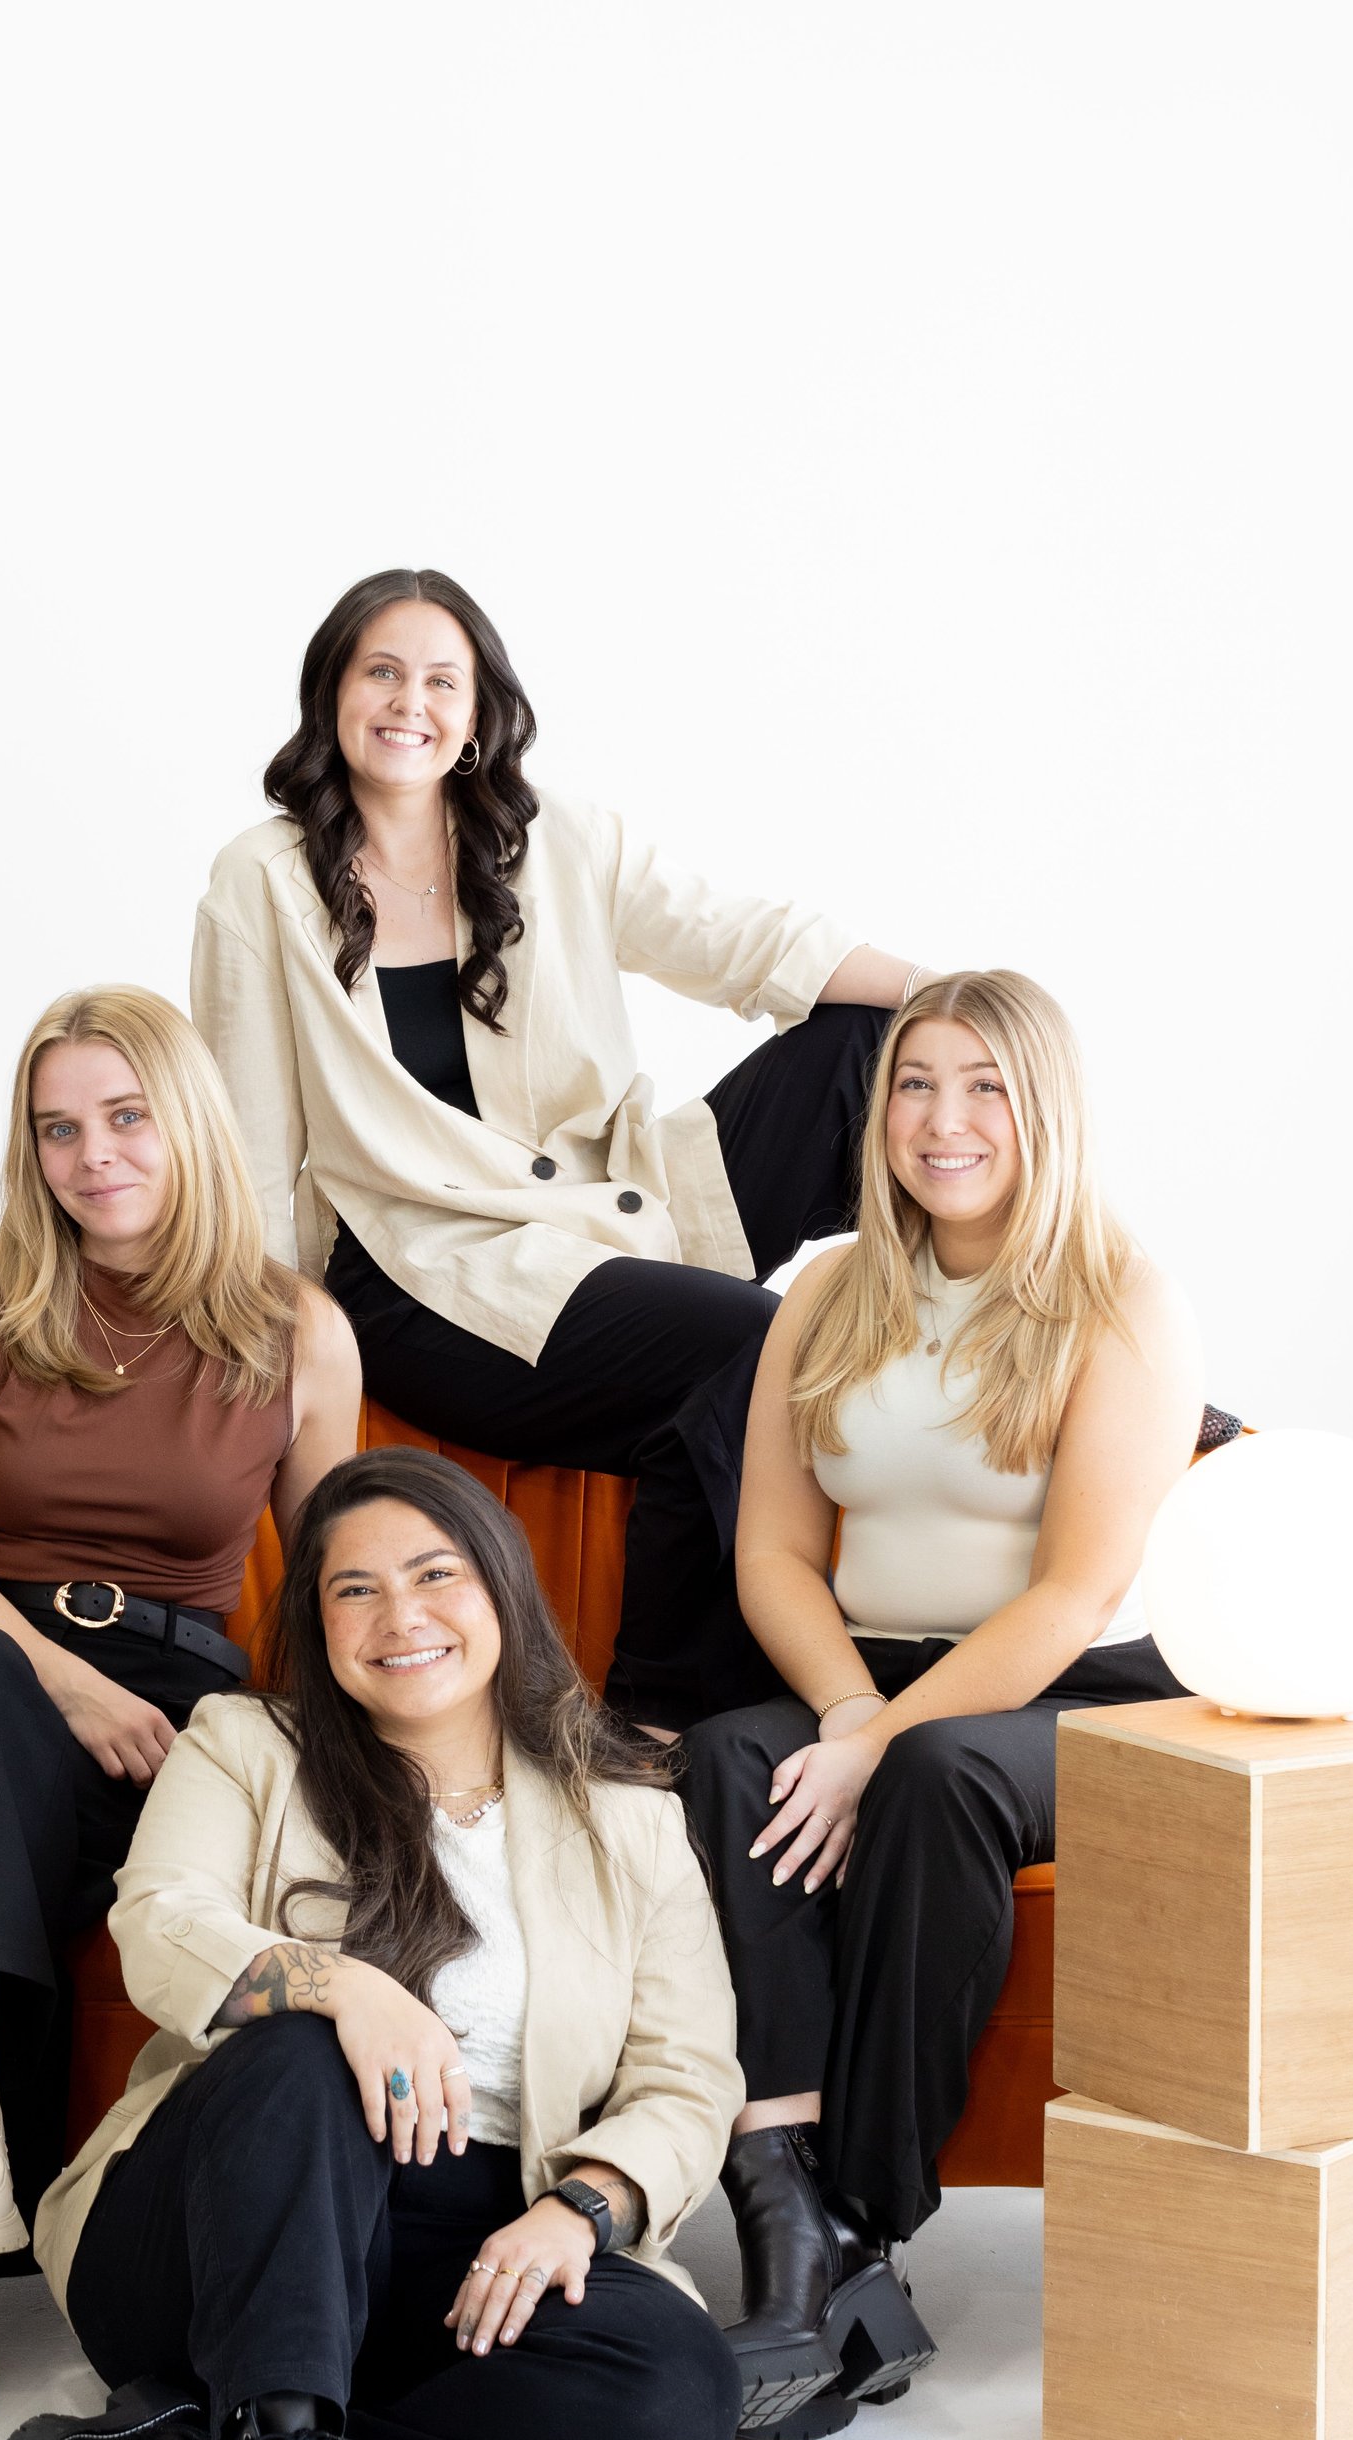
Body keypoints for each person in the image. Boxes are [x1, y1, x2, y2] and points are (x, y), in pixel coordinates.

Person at [0, 1447, 744, 2440]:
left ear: (501, 1591)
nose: (402, 1619)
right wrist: (337, 1984)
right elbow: (160, 1921)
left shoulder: (629, 1817)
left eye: (436, 1575)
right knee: (299, 2052)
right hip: (216, 2229)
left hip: (474, 2239)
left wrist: (590, 2209)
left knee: (677, 2403)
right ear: (314, 1621)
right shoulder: (248, 1744)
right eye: (355, 1591)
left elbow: (687, 2077)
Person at [191, 568, 929, 1734]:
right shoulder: (262, 882)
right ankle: (663, 1709)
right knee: (751, 1341)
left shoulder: (554, 842)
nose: (409, 702)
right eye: (380, 671)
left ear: (479, 714)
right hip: (424, 1270)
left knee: (885, 1040)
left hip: (615, 1206)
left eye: (442, 679)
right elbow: (245, 1139)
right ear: (332, 693)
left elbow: (743, 943)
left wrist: (975, 1004)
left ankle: (994, 1315)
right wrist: (277, 1343)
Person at [679, 972, 1203, 2440]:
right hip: (880, 1671)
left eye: (983, 1087)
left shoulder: (1121, 1296)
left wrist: (884, 1747)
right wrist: (850, 1710)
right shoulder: (831, 1291)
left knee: (938, 1783)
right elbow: (775, 1553)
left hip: (1076, 1693)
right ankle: (788, 2222)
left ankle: (864, 2216)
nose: (943, 1119)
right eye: (915, 1083)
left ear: (1043, 1110)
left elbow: (1076, 1597)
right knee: (731, 1757)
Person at [0, 986, 360, 2434]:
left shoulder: (297, 1330)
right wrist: (70, 1683)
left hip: (181, 1710)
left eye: (125, 1118)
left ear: (186, 1124)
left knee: (11, 1824)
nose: (93, 1156)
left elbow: (325, 1607)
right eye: (58, 1129)